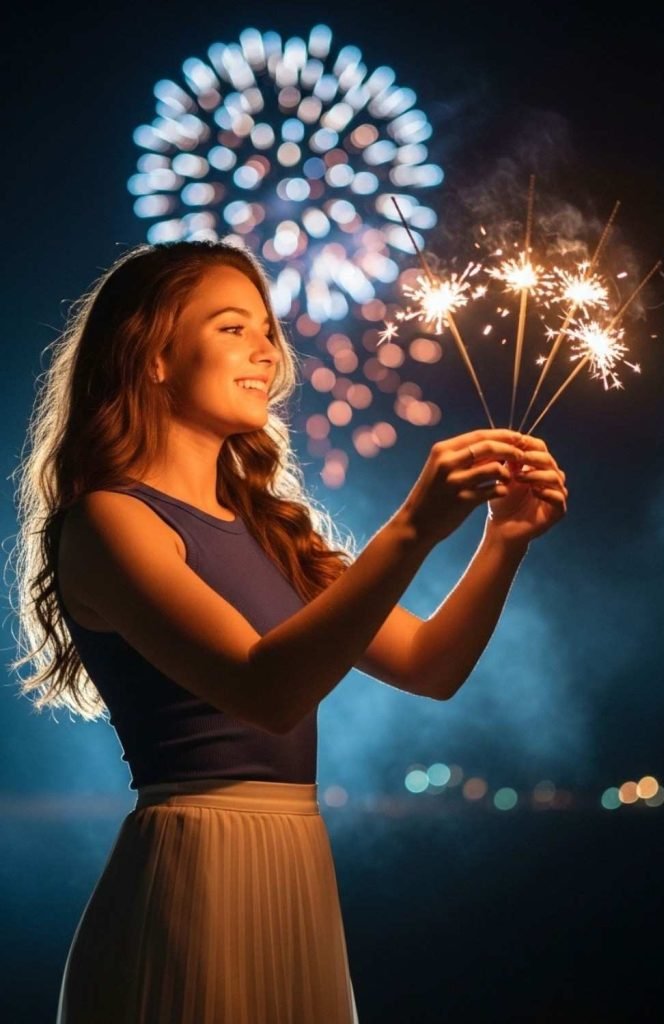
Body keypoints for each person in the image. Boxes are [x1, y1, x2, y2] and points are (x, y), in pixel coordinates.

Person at [7, 239, 567, 1023]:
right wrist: (411, 526)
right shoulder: (109, 522)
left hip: (296, 865)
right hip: (192, 869)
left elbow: (429, 666)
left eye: (267, 330)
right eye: (233, 327)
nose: (267, 350)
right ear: (152, 356)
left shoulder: (269, 532)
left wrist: (502, 540)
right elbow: (265, 690)